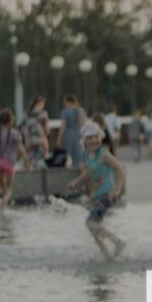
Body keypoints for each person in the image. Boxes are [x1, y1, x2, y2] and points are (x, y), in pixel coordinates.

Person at [66, 122, 126, 260]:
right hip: (98, 195)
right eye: (90, 138)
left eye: (96, 137)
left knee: (90, 223)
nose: (94, 140)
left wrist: (117, 190)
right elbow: (88, 173)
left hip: (108, 194)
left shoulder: (104, 154)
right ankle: (107, 255)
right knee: (93, 227)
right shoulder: (87, 155)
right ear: (84, 140)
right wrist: (76, 183)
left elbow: (121, 170)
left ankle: (117, 242)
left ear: (100, 137)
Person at [0, 109, 32, 214]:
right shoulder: (14, 133)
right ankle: (3, 204)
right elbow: (21, 149)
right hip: (9, 163)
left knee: (0, 186)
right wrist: (27, 162)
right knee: (9, 188)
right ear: (11, 120)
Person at [58, 95, 85, 169]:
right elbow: (82, 124)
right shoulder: (81, 110)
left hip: (68, 134)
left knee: (68, 154)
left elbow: (63, 126)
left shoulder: (65, 111)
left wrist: (59, 138)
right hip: (78, 134)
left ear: (68, 101)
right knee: (78, 153)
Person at [23, 103, 50, 170]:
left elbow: (47, 131)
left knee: (43, 144)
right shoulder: (33, 120)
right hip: (34, 139)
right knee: (44, 143)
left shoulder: (31, 119)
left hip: (34, 141)